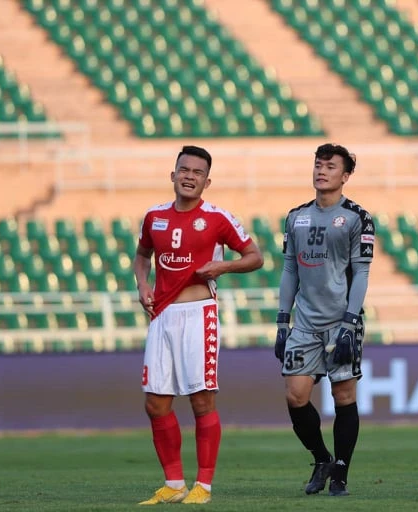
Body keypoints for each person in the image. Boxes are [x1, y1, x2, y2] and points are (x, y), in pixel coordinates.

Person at [134, 145, 264, 505]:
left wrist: (223, 266)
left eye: (197, 172)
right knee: (155, 403)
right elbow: (142, 255)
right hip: (161, 316)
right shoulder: (154, 217)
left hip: (198, 315)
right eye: (184, 170)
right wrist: (142, 284)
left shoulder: (218, 218)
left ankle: (203, 486)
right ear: (173, 175)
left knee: (201, 400)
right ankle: (174, 484)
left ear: (207, 181)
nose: (189, 176)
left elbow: (255, 257)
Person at [274, 143, 374, 497]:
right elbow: (289, 269)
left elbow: (361, 273)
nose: (321, 170)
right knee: (295, 396)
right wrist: (282, 321)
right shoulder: (296, 217)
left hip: (340, 321)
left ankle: (341, 474)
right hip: (304, 323)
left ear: (345, 176)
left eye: (330, 166)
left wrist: (349, 324)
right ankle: (322, 458)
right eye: (318, 164)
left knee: (343, 395)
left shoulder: (357, 217)